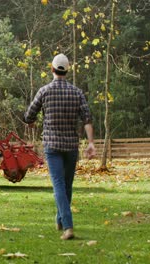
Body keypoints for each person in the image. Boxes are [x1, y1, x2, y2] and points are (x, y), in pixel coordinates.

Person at [24, 54, 96, 240]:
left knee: (58, 185)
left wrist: (31, 123)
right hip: (71, 146)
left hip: (52, 145)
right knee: (67, 186)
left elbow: (29, 115)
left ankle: (68, 226)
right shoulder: (77, 92)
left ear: (52, 69)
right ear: (67, 70)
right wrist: (91, 143)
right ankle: (60, 219)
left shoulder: (44, 91)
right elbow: (87, 119)